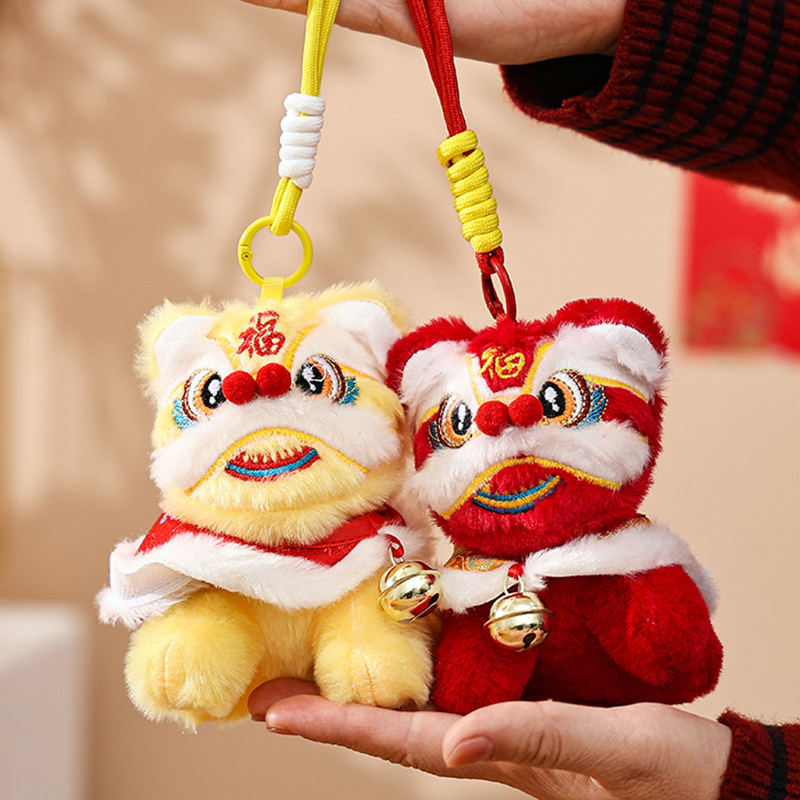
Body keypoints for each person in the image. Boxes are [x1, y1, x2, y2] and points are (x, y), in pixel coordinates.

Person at [244, 0, 800, 796]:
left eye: (555, 407)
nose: (506, 426)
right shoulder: (464, 574)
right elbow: (470, 685)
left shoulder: (622, 556)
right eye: (462, 423)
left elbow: (676, 659)